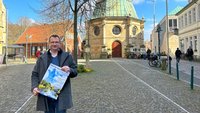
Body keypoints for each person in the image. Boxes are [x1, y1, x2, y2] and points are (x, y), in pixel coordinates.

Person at [31, 34, 77, 113]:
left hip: (62, 94)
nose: (54, 44)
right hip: (46, 93)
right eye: (52, 42)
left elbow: (75, 71)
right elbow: (35, 74)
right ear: (49, 43)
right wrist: (34, 87)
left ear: (59, 43)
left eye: (56, 42)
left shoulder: (67, 56)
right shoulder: (42, 58)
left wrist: (69, 69)